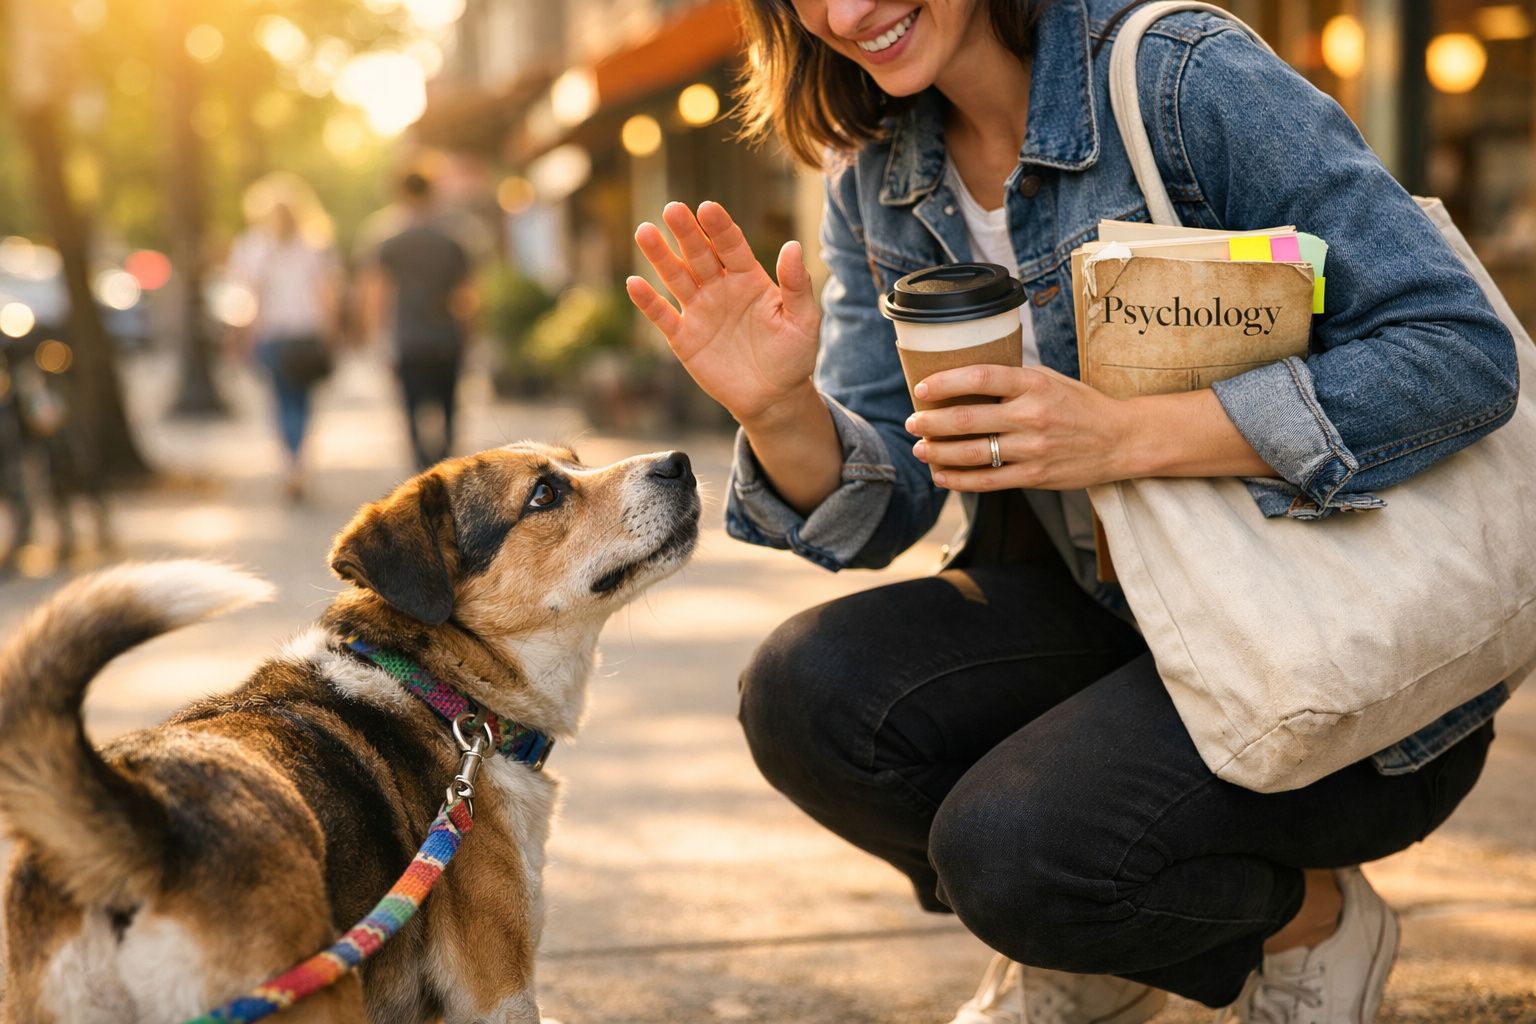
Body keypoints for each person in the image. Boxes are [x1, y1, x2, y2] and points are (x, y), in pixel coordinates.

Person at [626, 2, 1518, 1022]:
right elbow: (886, 506)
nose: (848, 12)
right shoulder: (879, 172)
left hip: (1333, 659)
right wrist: (781, 409)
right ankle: (1097, 936)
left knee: (1008, 853)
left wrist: (1126, 435)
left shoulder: (1181, 77)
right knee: (805, 693)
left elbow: (1457, 348)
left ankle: (1307, 920)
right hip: (1116, 628)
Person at [227, 173, 341, 501]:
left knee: (281, 401)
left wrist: (242, 337)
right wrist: (331, 333)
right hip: (307, 334)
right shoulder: (316, 245)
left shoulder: (252, 247)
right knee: (302, 401)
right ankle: (298, 461)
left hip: (273, 336)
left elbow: (249, 299)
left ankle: (290, 463)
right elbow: (327, 295)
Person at [359, 171, 475, 472]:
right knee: (448, 406)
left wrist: (376, 338)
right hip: (446, 336)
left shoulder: (388, 241)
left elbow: (377, 294)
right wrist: (470, 334)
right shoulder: (454, 239)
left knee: (411, 408)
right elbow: (468, 295)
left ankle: (422, 469)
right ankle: (446, 462)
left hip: (408, 338)